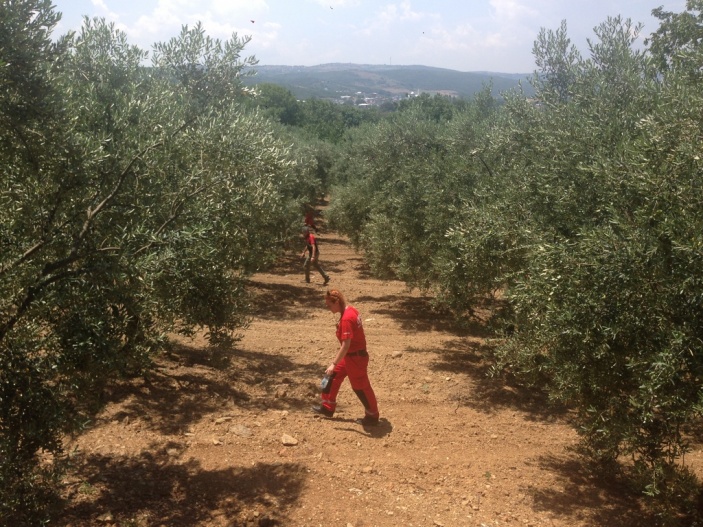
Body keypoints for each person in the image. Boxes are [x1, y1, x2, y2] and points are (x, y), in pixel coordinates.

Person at [312, 289, 380, 426]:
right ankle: (327, 407)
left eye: (329, 305)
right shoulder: (350, 310)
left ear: (336, 302)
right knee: (332, 376)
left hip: (355, 358)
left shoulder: (346, 319)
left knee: (361, 387)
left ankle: (372, 416)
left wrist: (333, 363)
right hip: (351, 356)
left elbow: (346, 345)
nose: (328, 308)